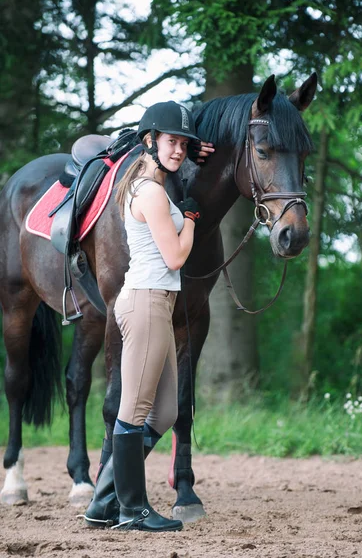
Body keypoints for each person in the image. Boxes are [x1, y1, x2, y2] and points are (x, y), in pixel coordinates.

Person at [83, 101, 214, 532]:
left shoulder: (151, 180)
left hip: (156, 302)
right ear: (149, 141)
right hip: (147, 302)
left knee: (164, 414)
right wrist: (191, 219)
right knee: (134, 410)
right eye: (171, 141)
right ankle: (131, 510)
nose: (177, 149)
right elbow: (175, 256)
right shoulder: (152, 191)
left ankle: (103, 500)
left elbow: (176, 171)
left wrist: (193, 160)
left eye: (183, 143)